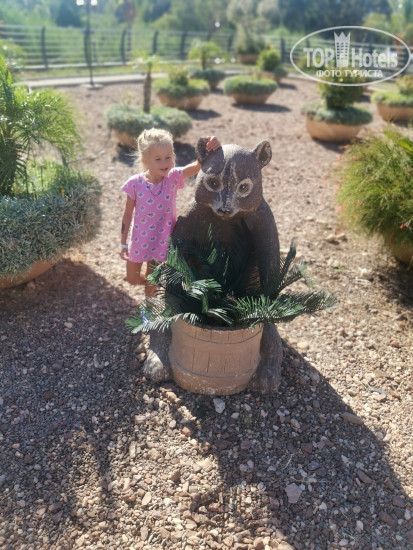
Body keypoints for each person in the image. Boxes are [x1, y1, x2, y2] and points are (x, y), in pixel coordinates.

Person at [120, 128, 220, 297]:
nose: (164, 163)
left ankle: (150, 306)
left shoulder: (172, 177)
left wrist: (210, 145)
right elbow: (127, 214)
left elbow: (197, 166)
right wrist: (123, 243)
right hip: (140, 239)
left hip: (162, 239)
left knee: (153, 276)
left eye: (168, 157)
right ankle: (154, 283)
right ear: (145, 161)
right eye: (158, 159)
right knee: (132, 279)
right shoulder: (135, 183)